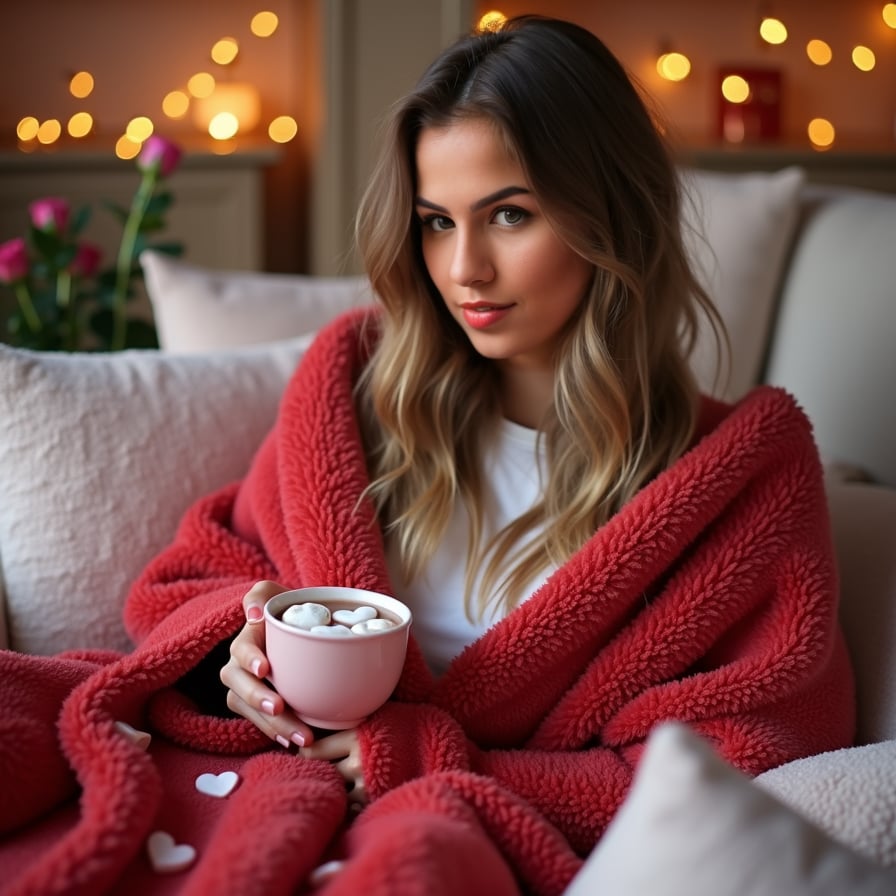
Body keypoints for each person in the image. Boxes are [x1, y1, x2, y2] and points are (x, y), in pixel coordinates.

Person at [0, 16, 854, 896]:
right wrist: (243, 660)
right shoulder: (354, 396)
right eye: (436, 222)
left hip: (450, 830)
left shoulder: (736, 478)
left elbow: (753, 751)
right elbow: (206, 572)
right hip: (250, 781)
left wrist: (418, 757)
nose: (465, 269)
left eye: (510, 215)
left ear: (615, 211)